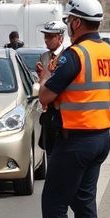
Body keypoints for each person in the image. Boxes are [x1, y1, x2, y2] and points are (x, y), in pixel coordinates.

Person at [24, 0, 110, 218]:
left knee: (54, 203)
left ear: (76, 22)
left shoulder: (75, 54)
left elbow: (45, 95)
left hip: (75, 139)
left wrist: (48, 77)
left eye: (68, 22)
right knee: (84, 204)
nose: (67, 26)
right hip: (100, 137)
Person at [34, 20, 66, 151]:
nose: (46, 40)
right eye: (45, 36)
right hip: (47, 110)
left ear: (60, 38)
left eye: (50, 36)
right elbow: (41, 82)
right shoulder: (44, 56)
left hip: (63, 110)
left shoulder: (67, 55)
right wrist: (40, 76)